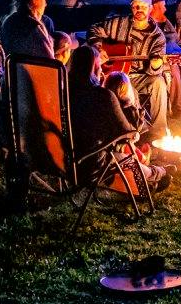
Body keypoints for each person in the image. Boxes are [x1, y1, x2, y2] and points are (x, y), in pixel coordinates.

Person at [65, 46, 169, 194]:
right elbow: (128, 132)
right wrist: (129, 103)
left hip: (66, 161)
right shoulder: (103, 96)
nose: (101, 70)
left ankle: (156, 172)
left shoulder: (64, 93)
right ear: (94, 67)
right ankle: (157, 173)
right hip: (93, 162)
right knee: (129, 149)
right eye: (99, 66)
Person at [87, 0, 171, 139]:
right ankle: (135, 131)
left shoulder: (157, 37)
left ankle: (158, 133)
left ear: (151, 8)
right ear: (131, 8)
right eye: (136, 6)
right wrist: (98, 48)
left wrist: (156, 64)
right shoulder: (117, 23)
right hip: (114, 75)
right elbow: (94, 29)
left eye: (143, 7)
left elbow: (153, 72)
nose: (139, 10)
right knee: (125, 86)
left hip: (140, 76)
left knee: (159, 82)